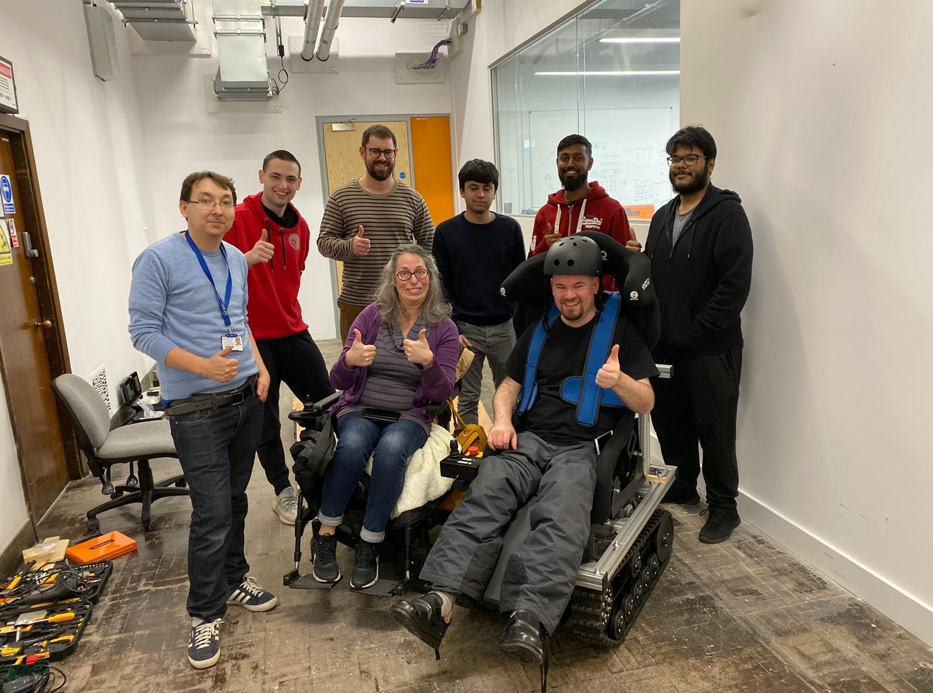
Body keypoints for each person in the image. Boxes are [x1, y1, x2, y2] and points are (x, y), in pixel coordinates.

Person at [390, 236, 658, 665]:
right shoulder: (539, 330)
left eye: (578, 286)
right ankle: (439, 599)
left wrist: (618, 381)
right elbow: (509, 386)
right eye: (560, 287)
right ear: (551, 288)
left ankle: (530, 617)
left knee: (563, 516)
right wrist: (501, 420)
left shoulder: (621, 332)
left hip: (581, 448)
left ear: (594, 284)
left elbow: (645, 402)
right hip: (528, 441)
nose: (569, 296)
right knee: (485, 496)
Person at [128, 171, 277, 671]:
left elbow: (238, 320)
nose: (217, 209)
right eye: (206, 201)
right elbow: (143, 332)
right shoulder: (158, 259)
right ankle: (204, 613)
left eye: (225, 201)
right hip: (196, 408)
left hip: (245, 398)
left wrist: (259, 365)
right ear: (184, 207)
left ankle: (235, 579)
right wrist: (202, 367)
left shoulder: (235, 256)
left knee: (235, 501)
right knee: (211, 513)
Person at [312, 244, 459, 589]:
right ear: (393, 280)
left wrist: (428, 362)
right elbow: (337, 381)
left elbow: (442, 393)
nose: (412, 280)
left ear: (431, 278)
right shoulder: (371, 317)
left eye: (420, 272)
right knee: (351, 446)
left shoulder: (444, 328)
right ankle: (326, 534)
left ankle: (370, 542)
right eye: (404, 273)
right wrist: (349, 361)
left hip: (410, 415)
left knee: (391, 451)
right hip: (360, 408)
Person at [640, 125, 753, 544]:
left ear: (710, 163)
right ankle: (684, 485)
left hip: (710, 348)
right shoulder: (664, 215)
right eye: (675, 158)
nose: (681, 166)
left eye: (690, 158)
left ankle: (725, 508)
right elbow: (653, 274)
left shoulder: (727, 214)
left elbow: (734, 287)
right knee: (671, 423)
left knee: (716, 430)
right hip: (666, 346)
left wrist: (695, 332)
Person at [224, 150, 334, 525]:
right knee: (264, 419)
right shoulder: (238, 218)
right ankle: (282, 490)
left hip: (292, 329)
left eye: (290, 179)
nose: (282, 185)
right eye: (276, 177)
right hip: (253, 338)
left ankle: (323, 473)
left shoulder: (300, 226)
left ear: (299, 184)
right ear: (261, 176)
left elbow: (292, 276)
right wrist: (245, 258)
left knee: (328, 402)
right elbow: (208, 265)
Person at [317, 124, 435, 342]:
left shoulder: (413, 199)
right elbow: (323, 243)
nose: (382, 157)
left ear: (395, 154)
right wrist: (349, 247)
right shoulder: (341, 198)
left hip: (404, 301)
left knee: (404, 367)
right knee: (356, 367)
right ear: (363, 152)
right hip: (357, 301)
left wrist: (415, 279)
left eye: (388, 152)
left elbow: (428, 244)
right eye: (375, 151)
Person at [432, 159, 525, 425]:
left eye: (487, 187)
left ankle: (509, 447)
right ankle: (469, 451)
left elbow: (519, 278)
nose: (481, 194)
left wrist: (514, 320)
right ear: (462, 191)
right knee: (468, 396)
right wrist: (452, 328)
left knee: (510, 392)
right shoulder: (446, 232)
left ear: (495, 191)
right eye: (473, 187)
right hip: (465, 329)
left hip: (503, 327)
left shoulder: (510, 229)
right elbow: (441, 284)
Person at [528, 134, 632, 257]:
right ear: (557, 162)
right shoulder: (544, 213)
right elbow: (530, 264)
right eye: (564, 158)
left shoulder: (612, 210)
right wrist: (545, 246)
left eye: (578, 158)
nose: (570, 164)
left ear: (590, 163)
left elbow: (624, 262)